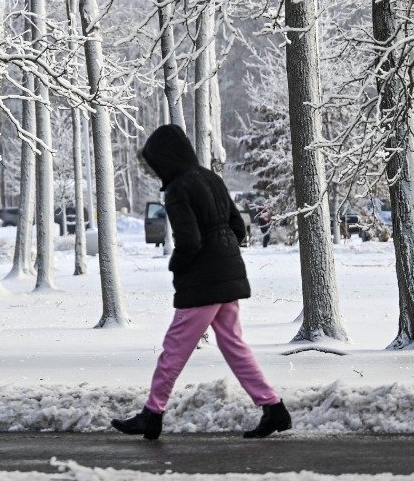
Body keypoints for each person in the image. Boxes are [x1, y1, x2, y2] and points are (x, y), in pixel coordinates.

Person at [112, 124, 291, 441]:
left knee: (174, 349)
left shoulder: (178, 189)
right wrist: (221, 254)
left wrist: (177, 266)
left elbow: (189, 242)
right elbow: (238, 228)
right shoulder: (211, 178)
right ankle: (274, 409)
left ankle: (152, 415)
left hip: (202, 282)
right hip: (226, 275)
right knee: (234, 345)